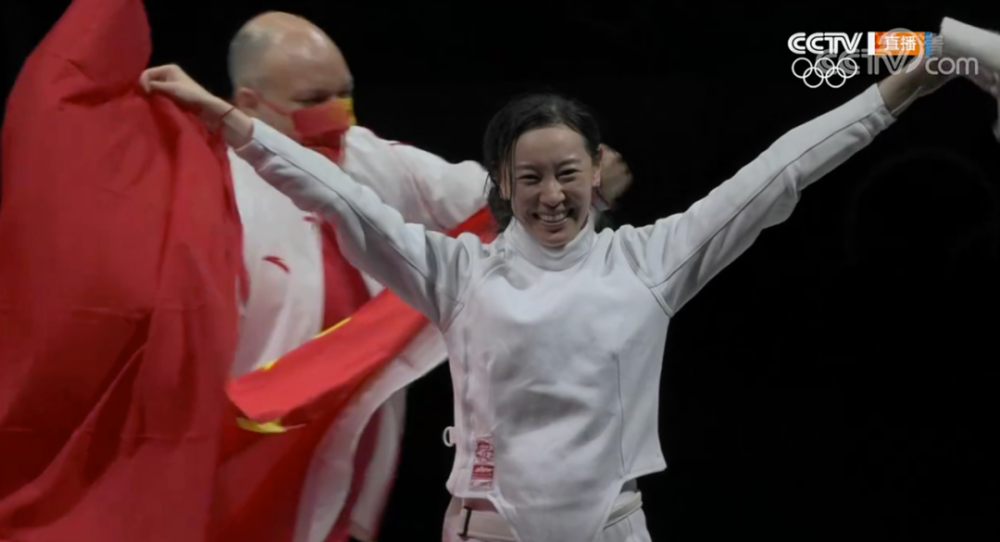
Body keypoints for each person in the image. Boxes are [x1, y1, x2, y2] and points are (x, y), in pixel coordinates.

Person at [138, 27, 962, 538]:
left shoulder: (654, 259)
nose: (550, 195)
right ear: (503, 183)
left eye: (567, 174)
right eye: (529, 178)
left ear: (593, 179)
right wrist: (230, 122)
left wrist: (896, 88)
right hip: (485, 531)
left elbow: (780, 172)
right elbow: (336, 195)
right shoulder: (455, 271)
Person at [220, 11, 634, 542]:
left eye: (344, 93)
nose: (336, 114)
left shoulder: (370, 156)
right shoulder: (212, 189)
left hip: (355, 443)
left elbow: (494, 199)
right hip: (248, 440)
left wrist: (577, 186)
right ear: (248, 103)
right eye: (311, 100)